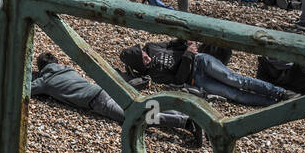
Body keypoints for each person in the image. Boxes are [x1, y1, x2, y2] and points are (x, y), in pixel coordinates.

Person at [32, 52, 198, 141]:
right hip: (105, 90)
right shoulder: (67, 69)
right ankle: (183, 113)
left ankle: (186, 122)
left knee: (136, 117)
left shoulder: (46, 81)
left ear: (41, 68)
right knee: (143, 106)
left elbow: (28, 89)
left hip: (97, 102)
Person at [120, 40, 294, 106]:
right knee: (234, 94)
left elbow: (175, 44)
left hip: (201, 61)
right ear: (139, 66)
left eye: (144, 56)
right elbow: (179, 79)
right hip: (196, 79)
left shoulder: (151, 47)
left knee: (236, 80)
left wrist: (186, 43)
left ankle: (281, 93)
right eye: (143, 61)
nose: (147, 58)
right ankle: (273, 104)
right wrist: (188, 54)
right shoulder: (154, 75)